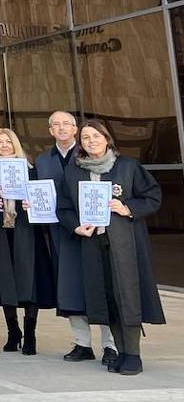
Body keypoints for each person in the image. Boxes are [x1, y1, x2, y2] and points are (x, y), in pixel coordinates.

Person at [55, 120, 163, 375]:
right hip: (93, 244)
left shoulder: (127, 166)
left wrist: (127, 208)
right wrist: (76, 226)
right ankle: (118, 351)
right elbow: (64, 208)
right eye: (85, 138)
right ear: (80, 143)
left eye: (96, 136)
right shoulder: (74, 171)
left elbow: (152, 196)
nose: (91, 141)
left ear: (107, 138)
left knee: (127, 296)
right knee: (106, 297)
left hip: (124, 244)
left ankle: (132, 354)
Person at [38, 111, 117, 365]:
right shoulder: (41, 161)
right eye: (56, 125)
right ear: (50, 131)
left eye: (67, 124)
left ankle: (110, 345)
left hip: (99, 232)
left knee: (103, 286)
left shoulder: (90, 156)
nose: (61, 128)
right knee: (71, 288)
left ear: (76, 130)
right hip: (65, 231)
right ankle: (82, 343)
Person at [0, 128, 56, 356]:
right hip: (1, 231)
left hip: (27, 231)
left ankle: (30, 333)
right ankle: (13, 331)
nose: (4, 145)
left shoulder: (30, 171)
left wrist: (32, 204)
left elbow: (44, 200)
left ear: (16, 145)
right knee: (7, 282)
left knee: (30, 282)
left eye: (8, 142)